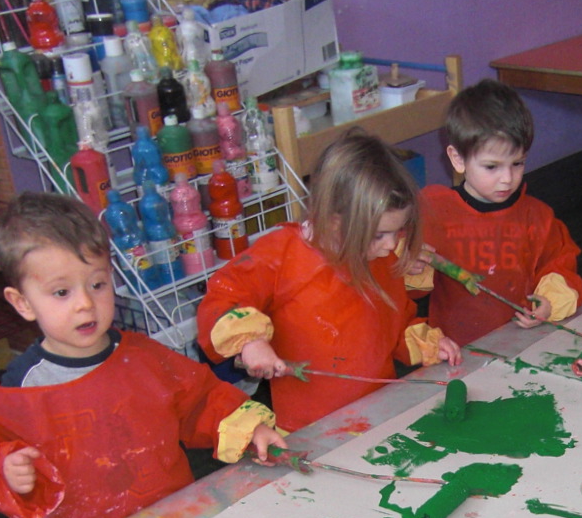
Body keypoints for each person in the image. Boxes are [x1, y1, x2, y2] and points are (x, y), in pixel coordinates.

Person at [0, 193, 284, 518]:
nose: (84, 303)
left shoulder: (144, 358)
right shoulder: (20, 388)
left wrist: (251, 427)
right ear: (23, 303)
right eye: (61, 292)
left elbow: (202, 399)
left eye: (97, 284)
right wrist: (4, 469)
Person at [197, 129, 463, 432]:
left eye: (397, 231)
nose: (391, 246)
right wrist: (250, 342)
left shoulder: (378, 256)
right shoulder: (282, 255)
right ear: (334, 219)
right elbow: (222, 297)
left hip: (379, 416)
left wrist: (429, 344)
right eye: (378, 235)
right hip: (309, 430)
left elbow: (394, 323)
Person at [406, 79, 582, 345]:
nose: (507, 178)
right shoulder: (432, 211)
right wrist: (409, 268)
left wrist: (548, 303)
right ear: (458, 160)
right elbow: (403, 291)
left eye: (517, 163)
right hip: (456, 349)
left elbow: (560, 265)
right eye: (492, 167)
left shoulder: (536, 216)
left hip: (524, 342)